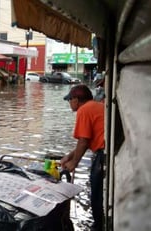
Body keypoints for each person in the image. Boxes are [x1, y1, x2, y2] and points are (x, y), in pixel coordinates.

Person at [61, 84, 105, 231]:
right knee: (98, 192)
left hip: (102, 154)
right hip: (106, 152)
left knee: (97, 193)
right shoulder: (95, 106)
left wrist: (73, 163)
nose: (69, 103)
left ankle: (99, 226)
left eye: (70, 100)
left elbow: (84, 140)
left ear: (76, 99)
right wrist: (69, 156)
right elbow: (85, 142)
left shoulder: (84, 110)